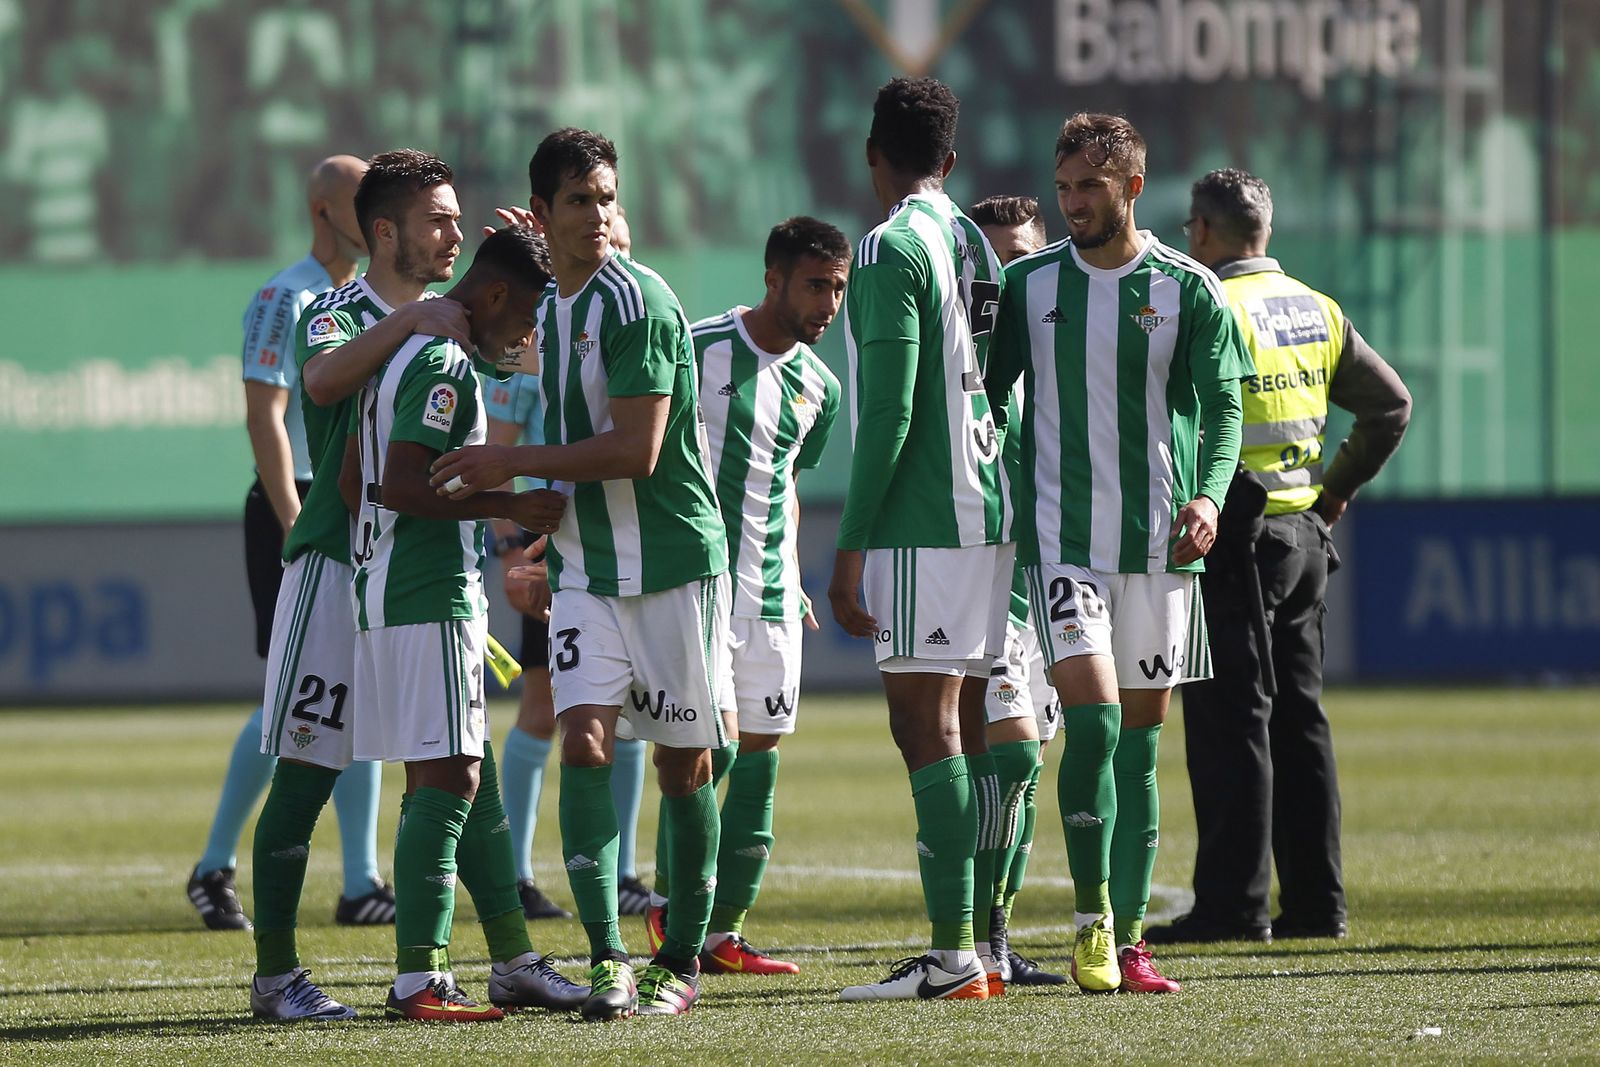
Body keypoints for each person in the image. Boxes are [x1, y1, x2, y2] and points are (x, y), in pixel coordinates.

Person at [248, 151, 575, 1023]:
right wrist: (416, 321)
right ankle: (277, 973)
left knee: (463, 763)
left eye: (461, 220)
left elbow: (528, 356)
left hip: (420, 563)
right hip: (333, 565)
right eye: (438, 218)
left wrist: (549, 265)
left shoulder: (461, 328)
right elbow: (318, 383)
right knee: (309, 767)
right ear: (384, 231)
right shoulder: (334, 311)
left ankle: (511, 955)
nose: (455, 231)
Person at [430, 128, 730, 1021]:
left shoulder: (639, 304)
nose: (598, 214)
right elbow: (503, 342)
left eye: (606, 197)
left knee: (685, 765)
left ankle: (679, 957)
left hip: (673, 562)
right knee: (585, 741)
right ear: (547, 215)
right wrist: (533, 541)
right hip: (588, 571)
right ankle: (608, 956)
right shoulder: (546, 308)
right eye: (577, 201)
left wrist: (500, 470)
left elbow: (636, 450)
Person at [985, 113, 1253, 996]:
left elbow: (1222, 407)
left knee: (1141, 742)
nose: (1071, 205)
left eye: (1088, 189)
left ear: (1132, 188)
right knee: (1093, 724)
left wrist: (1210, 493)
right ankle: (1091, 922)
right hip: (1062, 541)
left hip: (1159, 546)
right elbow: (985, 396)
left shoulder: (1188, 288)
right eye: (1062, 188)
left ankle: (1132, 940)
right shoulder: (1029, 286)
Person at [1144, 169, 1412, 946]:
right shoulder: (1315, 308)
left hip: (1237, 537)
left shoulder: (1208, 303)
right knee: (1300, 722)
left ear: (1200, 230)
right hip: (1304, 541)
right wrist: (1333, 489)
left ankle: (1234, 905)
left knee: (1232, 721)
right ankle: (1318, 903)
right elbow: (1390, 405)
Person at [347, 220, 586, 1023]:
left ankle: (514, 960)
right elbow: (399, 482)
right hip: (426, 593)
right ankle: (420, 977)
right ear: (489, 296)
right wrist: (508, 504)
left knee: (468, 781)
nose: (522, 336)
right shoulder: (444, 361)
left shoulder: (409, 353)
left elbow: (356, 480)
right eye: (521, 318)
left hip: (413, 589)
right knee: (446, 781)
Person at [826, 77, 1010, 1003]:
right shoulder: (971, 239)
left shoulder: (888, 245)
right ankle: (977, 944)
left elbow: (891, 410)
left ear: (873, 156)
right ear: (948, 158)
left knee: (922, 723)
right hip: (987, 504)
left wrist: (851, 542)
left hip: (924, 516)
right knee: (968, 726)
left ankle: (952, 958)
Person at [189, 154, 394, 935]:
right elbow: (264, 417)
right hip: (301, 505)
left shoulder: (370, 300)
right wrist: (290, 519)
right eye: (361, 201)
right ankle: (213, 865)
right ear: (323, 211)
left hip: (358, 505)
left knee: (361, 685)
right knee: (290, 694)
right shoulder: (286, 295)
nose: (378, 215)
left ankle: (363, 880)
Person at [644, 216, 846, 977]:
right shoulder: (697, 348)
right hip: (699, 586)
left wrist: (792, 574)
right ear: (772, 278)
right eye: (814, 285)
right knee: (712, 747)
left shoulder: (820, 388)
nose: (828, 303)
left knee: (761, 753)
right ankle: (672, 897)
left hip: (771, 593)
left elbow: (787, 483)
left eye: (837, 288)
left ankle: (726, 928)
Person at [486, 202, 652, 925]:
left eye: (615, 237)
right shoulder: (543, 341)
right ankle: (518, 869)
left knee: (638, 707)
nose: (605, 248)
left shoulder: (637, 324)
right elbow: (499, 445)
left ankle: (623, 869)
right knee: (545, 703)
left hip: (633, 545)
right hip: (561, 547)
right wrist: (509, 548)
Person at [965, 194, 1066, 989]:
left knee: (1027, 774)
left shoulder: (1059, 352)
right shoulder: (959, 364)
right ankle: (973, 935)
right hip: (985, 585)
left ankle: (997, 935)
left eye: (1021, 257)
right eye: (993, 258)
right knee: (1013, 755)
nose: (1008, 273)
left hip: (1052, 583)